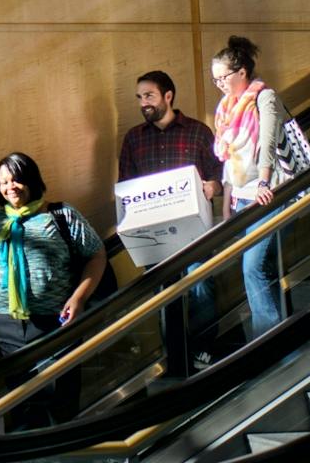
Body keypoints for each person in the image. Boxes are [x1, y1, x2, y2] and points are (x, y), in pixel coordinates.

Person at [0, 152, 106, 421]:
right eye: (3, 182)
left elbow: (97, 255)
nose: (10, 187)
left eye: (16, 179)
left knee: (61, 399)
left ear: (31, 180)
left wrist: (79, 298)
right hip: (6, 327)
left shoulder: (61, 215)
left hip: (56, 323)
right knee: (21, 402)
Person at [118, 70, 223, 371]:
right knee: (164, 296)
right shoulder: (133, 139)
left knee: (202, 286)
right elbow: (125, 187)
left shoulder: (198, 132)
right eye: (139, 97)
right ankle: (176, 359)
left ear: (168, 96)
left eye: (149, 95)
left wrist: (213, 186)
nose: (143, 103)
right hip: (155, 236)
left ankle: (203, 350)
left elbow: (218, 173)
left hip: (195, 232)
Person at [211, 35, 286, 339]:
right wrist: (228, 201)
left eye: (223, 77)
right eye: (214, 79)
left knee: (252, 267)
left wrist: (264, 182)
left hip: (267, 194)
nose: (219, 84)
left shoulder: (263, 97)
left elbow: (266, 141)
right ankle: (281, 340)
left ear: (242, 72)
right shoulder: (226, 108)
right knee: (260, 268)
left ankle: (269, 343)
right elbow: (230, 158)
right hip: (242, 198)